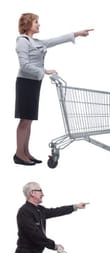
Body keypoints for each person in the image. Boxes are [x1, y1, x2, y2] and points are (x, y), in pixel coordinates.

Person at [13, 13, 92, 166]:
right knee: (24, 120)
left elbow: (56, 40)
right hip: (25, 83)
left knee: (29, 121)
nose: (39, 24)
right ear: (28, 24)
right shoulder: (23, 41)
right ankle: (19, 154)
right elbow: (23, 65)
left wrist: (77, 34)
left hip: (34, 83)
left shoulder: (37, 41)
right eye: (36, 22)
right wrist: (44, 71)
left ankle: (26, 152)